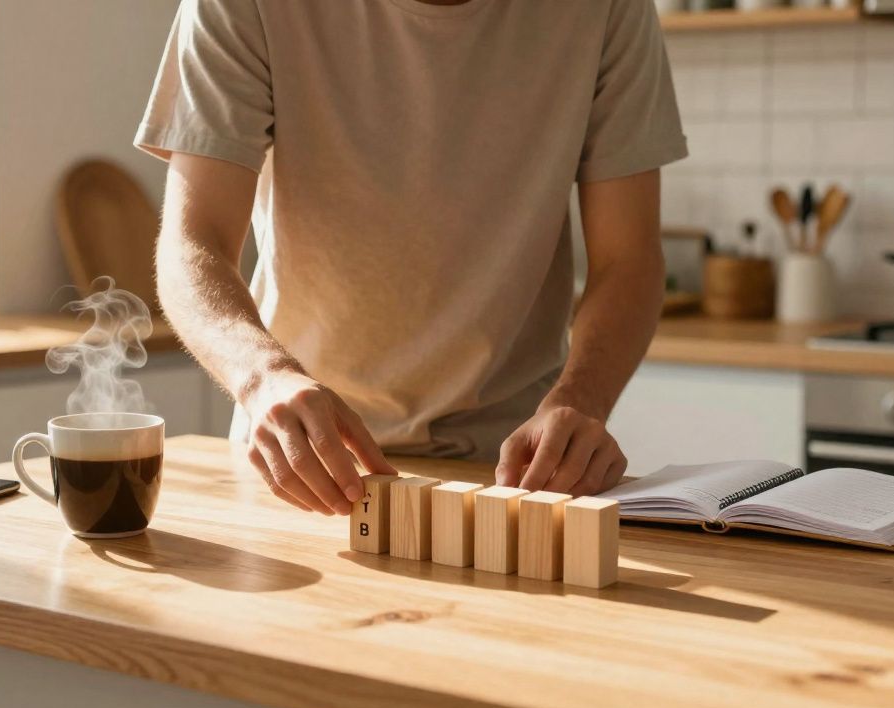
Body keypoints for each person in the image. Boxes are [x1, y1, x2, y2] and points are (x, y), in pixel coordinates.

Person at [136, 0, 687, 516]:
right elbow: (194, 241)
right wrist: (264, 378)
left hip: (516, 469)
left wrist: (581, 402)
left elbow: (629, 259)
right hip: (303, 458)